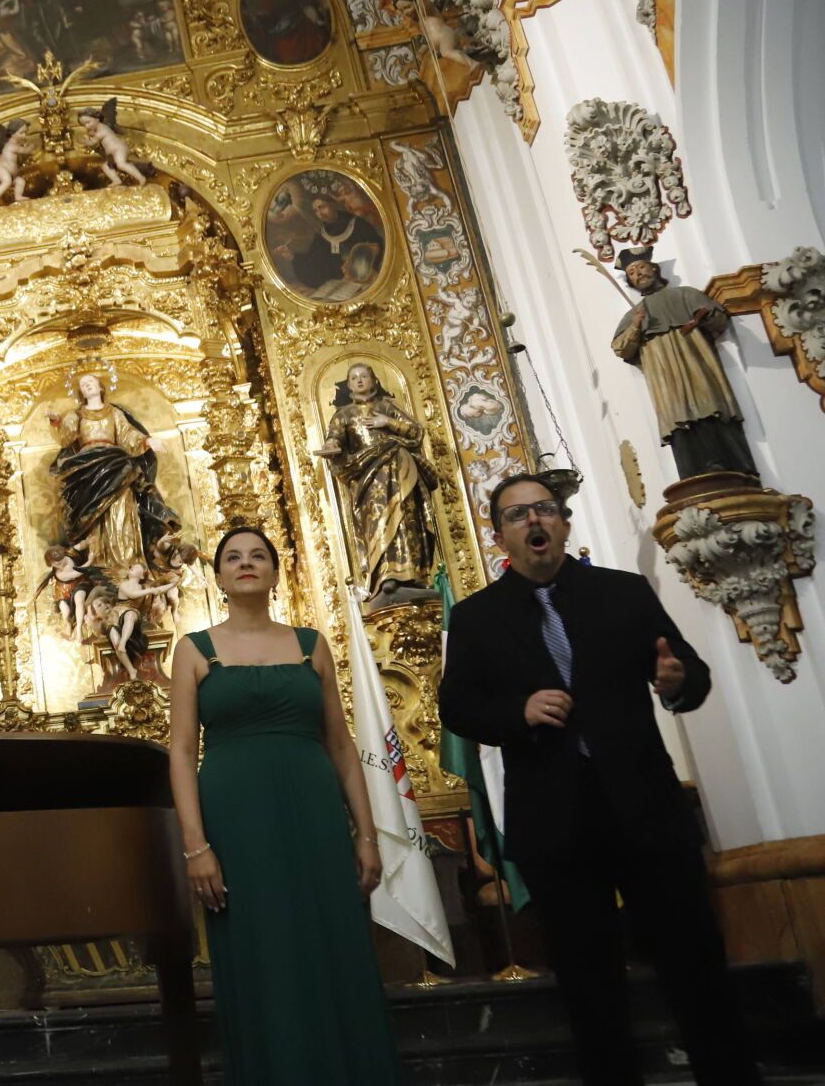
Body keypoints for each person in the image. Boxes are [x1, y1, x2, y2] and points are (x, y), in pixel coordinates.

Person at [439, 474, 759, 1086]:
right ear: (499, 533)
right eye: (516, 514)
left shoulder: (624, 593)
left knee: (696, 970)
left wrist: (676, 682)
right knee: (591, 991)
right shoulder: (478, 619)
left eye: (544, 509)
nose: (533, 521)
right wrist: (518, 712)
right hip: (555, 823)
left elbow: (687, 670)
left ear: (563, 522)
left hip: (646, 811)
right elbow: (457, 709)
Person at [170, 527, 400, 1085]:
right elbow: (179, 751)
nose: (246, 564)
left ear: (275, 571)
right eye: (233, 557)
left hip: (315, 814)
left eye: (257, 556)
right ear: (219, 576)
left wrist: (367, 836)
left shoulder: (309, 644)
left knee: (333, 944)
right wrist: (196, 846)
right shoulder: (194, 650)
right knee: (260, 951)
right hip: (235, 821)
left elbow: (341, 745)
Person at [609, 252, 757, 481]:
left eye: (641, 268)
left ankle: (732, 467)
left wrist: (704, 318)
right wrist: (637, 325)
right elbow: (621, 348)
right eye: (631, 273)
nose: (637, 274)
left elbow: (718, 319)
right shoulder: (633, 314)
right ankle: (694, 476)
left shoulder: (685, 295)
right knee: (678, 417)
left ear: (654, 269)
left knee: (708, 405)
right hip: (664, 374)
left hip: (695, 362)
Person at [314, 363, 441, 602]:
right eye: (354, 378)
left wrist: (388, 423)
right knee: (378, 521)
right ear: (349, 385)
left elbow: (415, 432)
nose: (360, 380)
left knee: (406, 517)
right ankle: (385, 574)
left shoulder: (387, 407)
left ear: (373, 380)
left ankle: (414, 573)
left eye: (364, 376)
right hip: (368, 476)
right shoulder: (344, 415)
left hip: (400, 467)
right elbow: (334, 438)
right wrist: (331, 447)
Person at [48, 372, 178, 575]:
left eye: (90, 382)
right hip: (87, 469)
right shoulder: (77, 415)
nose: (87, 386)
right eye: (83, 384)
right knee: (93, 516)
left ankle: (128, 564)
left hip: (116, 467)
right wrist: (57, 422)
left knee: (122, 510)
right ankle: (100, 565)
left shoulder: (114, 413)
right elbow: (66, 438)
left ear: (100, 387)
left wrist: (147, 441)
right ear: (81, 392)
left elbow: (128, 435)